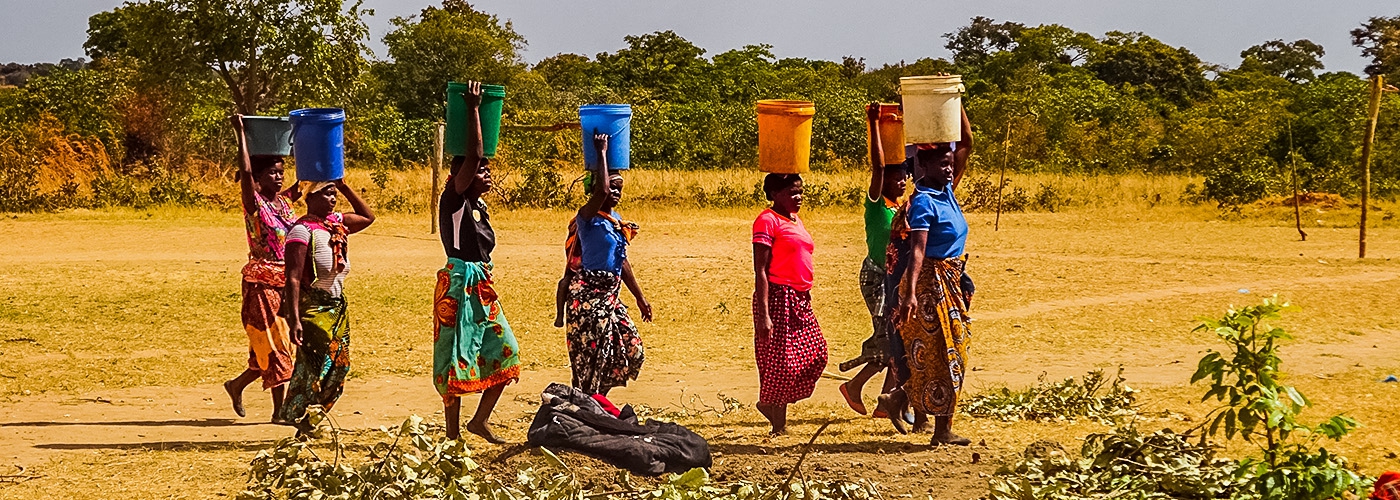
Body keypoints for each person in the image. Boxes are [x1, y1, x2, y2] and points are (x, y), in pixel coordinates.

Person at [434, 81, 522, 444]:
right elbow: (473, 154)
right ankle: (452, 434)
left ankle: (478, 421)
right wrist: (473, 108)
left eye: (487, 169)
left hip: (481, 286)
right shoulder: (453, 199)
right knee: (455, 356)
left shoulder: (478, 208)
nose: (486, 172)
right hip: (459, 284)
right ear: (460, 175)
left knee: (507, 350)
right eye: (480, 169)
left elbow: (476, 156)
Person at [888, 104, 975, 446]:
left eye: (949, 162)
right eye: (941, 162)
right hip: (930, 285)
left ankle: (901, 398)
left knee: (955, 351)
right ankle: (941, 430)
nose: (948, 166)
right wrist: (909, 293)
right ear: (921, 166)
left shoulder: (947, 191)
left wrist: (957, 97)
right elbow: (917, 252)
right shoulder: (924, 200)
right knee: (943, 354)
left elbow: (966, 142)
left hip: (950, 281)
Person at [277, 179, 375, 435]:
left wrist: (343, 186)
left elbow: (367, 217)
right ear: (310, 197)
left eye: (334, 195)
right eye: (326, 194)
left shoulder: (337, 224)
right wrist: (293, 318)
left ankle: (308, 422)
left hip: (337, 308)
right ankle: (299, 420)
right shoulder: (301, 230)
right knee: (316, 367)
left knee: (339, 366)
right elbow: (293, 277)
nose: (332, 200)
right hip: (313, 309)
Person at [224, 115, 301, 423]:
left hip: (286, 282)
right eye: (272, 173)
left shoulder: (284, 204)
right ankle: (279, 411)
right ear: (258, 178)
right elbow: (244, 170)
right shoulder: (254, 204)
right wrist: (241, 133)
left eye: (281, 172)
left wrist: (308, 138)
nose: (279, 178)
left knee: (267, 348)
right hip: (260, 284)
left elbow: (308, 179)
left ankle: (237, 384)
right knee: (276, 343)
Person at [562, 130, 652, 395]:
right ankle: (590, 406)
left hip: (611, 295)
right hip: (588, 296)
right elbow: (601, 190)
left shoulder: (616, 222)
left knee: (631, 349)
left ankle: (597, 401)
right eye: (611, 187)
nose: (614, 192)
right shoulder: (587, 217)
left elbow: (621, 261)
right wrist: (601, 151)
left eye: (619, 188)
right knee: (592, 357)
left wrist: (639, 297)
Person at [838, 103, 908, 417]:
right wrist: (874, 124)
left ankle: (884, 399)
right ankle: (855, 387)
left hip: (894, 278)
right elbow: (878, 168)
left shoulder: (901, 208)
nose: (901, 181)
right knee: (888, 337)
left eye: (904, 177)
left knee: (897, 336)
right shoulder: (877, 205)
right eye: (896, 178)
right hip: (877, 275)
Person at [751, 173, 827, 435]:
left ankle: (769, 404)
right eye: (792, 192)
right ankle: (778, 423)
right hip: (777, 296)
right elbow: (760, 270)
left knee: (817, 352)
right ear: (774, 194)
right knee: (782, 361)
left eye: (800, 191)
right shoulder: (767, 221)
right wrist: (764, 314)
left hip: (800, 297)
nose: (799, 197)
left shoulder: (794, 219)